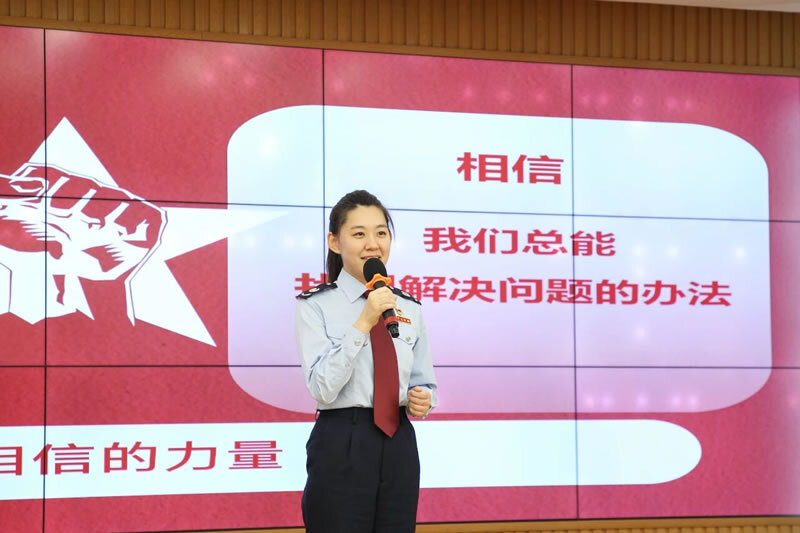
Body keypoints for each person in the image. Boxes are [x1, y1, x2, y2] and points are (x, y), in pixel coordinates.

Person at [295, 189, 438, 532]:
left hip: (399, 441)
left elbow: (423, 380)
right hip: (342, 438)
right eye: (359, 234)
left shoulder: (409, 307)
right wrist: (364, 322)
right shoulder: (315, 305)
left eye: (381, 233)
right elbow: (322, 388)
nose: (373, 244)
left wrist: (423, 398)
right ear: (335, 242)